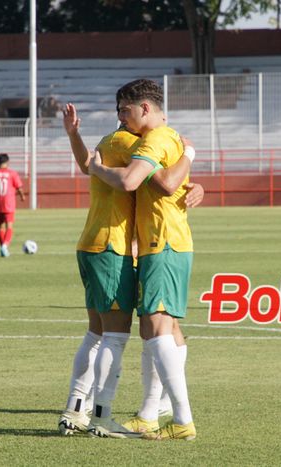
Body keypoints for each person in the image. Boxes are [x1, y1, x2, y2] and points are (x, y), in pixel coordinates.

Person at [59, 101, 202, 439]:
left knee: (102, 332)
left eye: (124, 110)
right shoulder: (130, 143)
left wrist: (75, 136)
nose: (120, 117)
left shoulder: (113, 142)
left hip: (101, 244)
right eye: (121, 112)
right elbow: (149, 178)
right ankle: (103, 414)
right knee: (119, 335)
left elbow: (87, 165)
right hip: (114, 246)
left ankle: (79, 410)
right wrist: (188, 153)